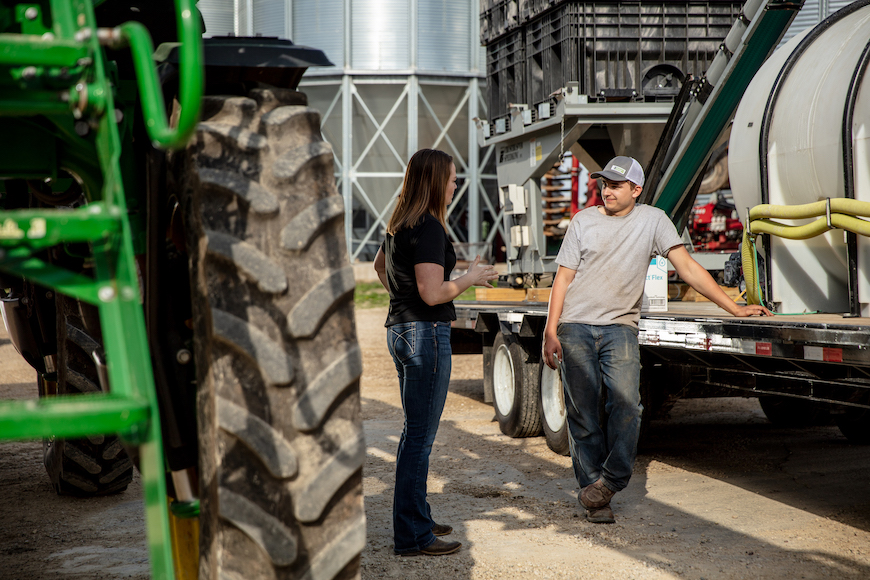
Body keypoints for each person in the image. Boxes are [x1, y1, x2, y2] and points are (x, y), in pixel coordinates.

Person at [542, 156, 772, 524]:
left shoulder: (653, 220)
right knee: (583, 414)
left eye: (616, 185)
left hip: (620, 327)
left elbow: (689, 269)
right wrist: (550, 330)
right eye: (604, 184)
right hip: (575, 327)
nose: (607, 191)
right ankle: (595, 496)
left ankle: (612, 480)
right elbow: (563, 280)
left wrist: (735, 308)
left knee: (628, 407)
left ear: (637, 189)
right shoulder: (583, 221)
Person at [374, 148, 498, 556]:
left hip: (402, 330)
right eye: (451, 177)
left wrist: (402, 298)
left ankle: (418, 519)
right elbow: (433, 293)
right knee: (420, 439)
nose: (456, 183)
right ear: (433, 181)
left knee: (414, 432)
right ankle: (412, 536)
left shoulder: (398, 224)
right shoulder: (427, 227)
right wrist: (472, 276)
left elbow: (380, 267)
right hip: (425, 335)